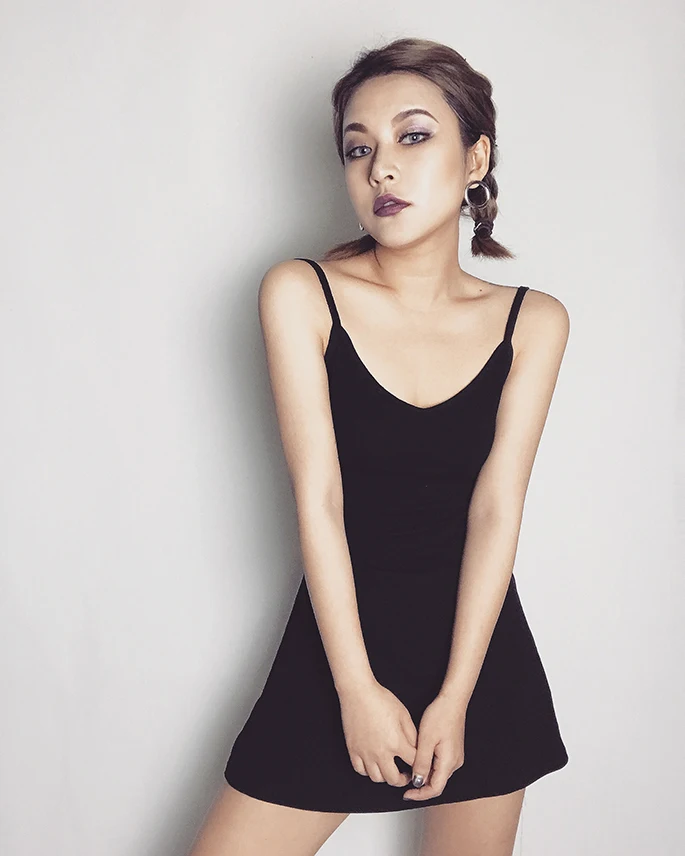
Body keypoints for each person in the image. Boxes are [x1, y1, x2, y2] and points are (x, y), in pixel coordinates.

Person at [189, 37, 570, 856]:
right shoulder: (300, 292)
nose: (381, 168)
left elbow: (496, 511)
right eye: (357, 149)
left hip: (478, 659)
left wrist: (457, 696)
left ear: (475, 159)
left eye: (413, 136)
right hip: (336, 651)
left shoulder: (532, 321)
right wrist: (354, 688)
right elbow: (320, 501)